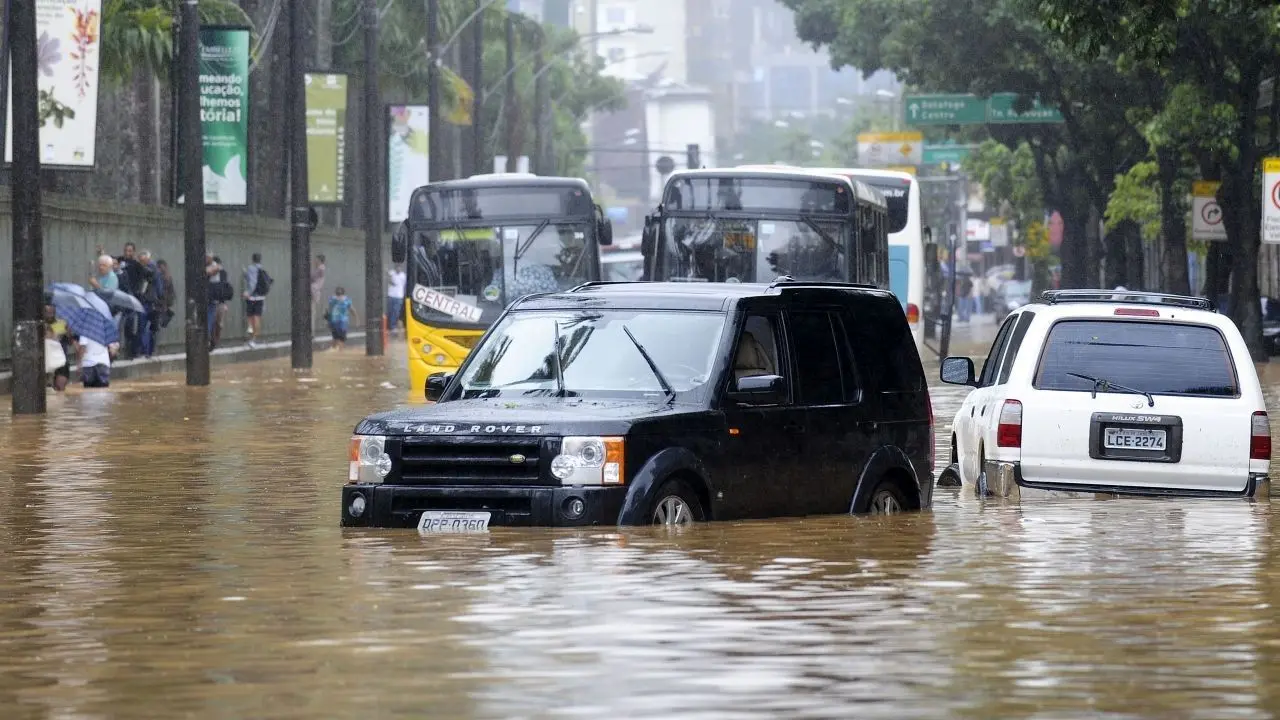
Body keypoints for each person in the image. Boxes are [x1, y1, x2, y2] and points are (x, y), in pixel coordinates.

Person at [44, 296, 72, 392]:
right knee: (47, 391)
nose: (50, 312)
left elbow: (70, 342)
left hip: (61, 362)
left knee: (60, 391)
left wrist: (68, 334)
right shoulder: (40, 326)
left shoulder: (62, 323)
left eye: (52, 309)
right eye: (47, 310)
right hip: (45, 362)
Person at [243, 253, 270, 348]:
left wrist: (248, 293)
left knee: (250, 319)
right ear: (260, 260)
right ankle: (253, 340)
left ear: (252, 259)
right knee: (257, 318)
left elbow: (253, 283)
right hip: (260, 297)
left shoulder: (251, 268)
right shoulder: (261, 269)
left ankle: (251, 339)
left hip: (251, 297)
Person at [207, 254, 231, 350]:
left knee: (216, 323)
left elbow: (223, 287)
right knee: (216, 323)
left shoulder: (222, 273)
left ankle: (214, 341)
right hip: (216, 301)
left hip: (218, 301)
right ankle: (213, 341)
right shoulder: (212, 273)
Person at [327, 286, 358, 351]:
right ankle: (340, 352)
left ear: (336, 293)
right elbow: (352, 310)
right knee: (341, 340)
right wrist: (357, 319)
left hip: (334, 322)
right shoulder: (346, 300)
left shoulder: (332, 299)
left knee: (335, 338)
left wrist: (328, 321)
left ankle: (332, 351)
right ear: (344, 293)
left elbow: (328, 310)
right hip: (342, 323)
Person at [386, 262, 406, 335]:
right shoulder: (392, 273)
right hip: (391, 295)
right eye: (397, 267)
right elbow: (388, 276)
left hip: (399, 296)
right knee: (390, 311)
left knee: (396, 312)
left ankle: (393, 326)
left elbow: (403, 285)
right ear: (395, 268)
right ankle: (389, 326)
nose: (398, 269)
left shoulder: (403, 276)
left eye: (399, 267)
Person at [311, 254, 327, 329]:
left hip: (315, 289)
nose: (314, 261)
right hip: (315, 289)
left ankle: (325, 313)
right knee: (313, 309)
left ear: (320, 260)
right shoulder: (318, 268)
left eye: (316, 260)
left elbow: (315, 275)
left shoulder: (321, 267)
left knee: (313, 308)